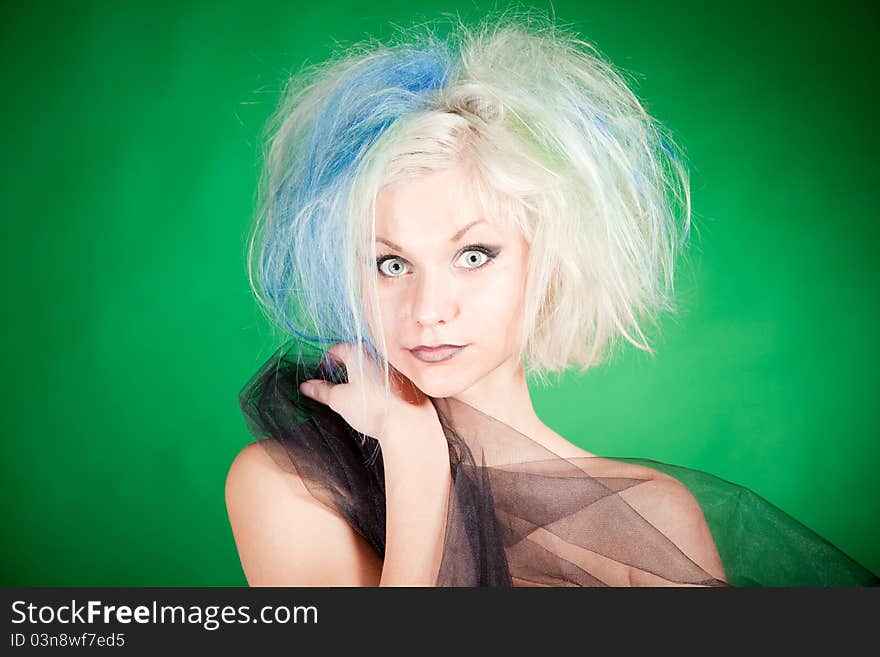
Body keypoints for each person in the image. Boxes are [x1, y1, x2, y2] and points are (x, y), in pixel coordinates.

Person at [225, 11, 878, 587]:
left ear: (552, 261)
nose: (428, 309)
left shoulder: (651, 516)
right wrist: (415, 458)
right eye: (391, 263)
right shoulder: (289, 483)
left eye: (473, 255)